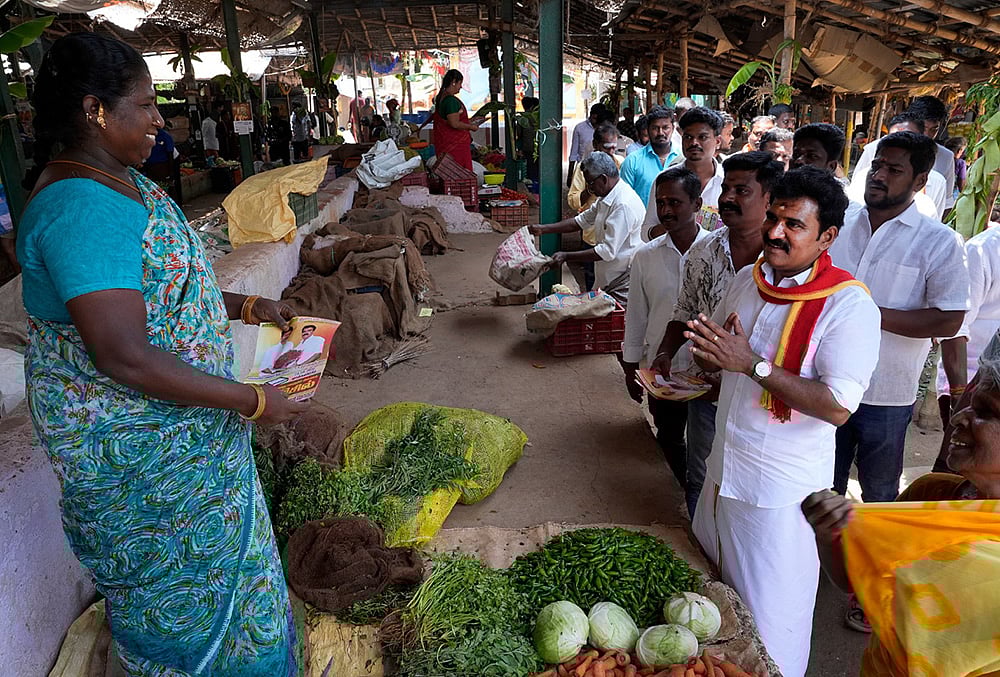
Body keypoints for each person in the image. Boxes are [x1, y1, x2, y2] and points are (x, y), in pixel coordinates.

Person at [16, 32, 304, 675]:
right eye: (145, 105)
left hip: (189, 436)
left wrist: (248, 306)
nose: (159, 121)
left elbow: (165, 288)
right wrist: (254, 401)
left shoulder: (117, 182)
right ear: (94, 110)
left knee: (229, 579)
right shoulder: (80, 207)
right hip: (143, 458)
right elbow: (124, 354)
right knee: (180, 597)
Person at [686, 166, 880, 677]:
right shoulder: (748, 281)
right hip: (722, 476)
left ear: (827, 237)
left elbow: (838, 405)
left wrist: (751, 363)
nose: (775, 232)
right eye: (773, 217)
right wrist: (708, 352)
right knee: (712, 612)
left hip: (777, 496)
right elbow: (722, 357)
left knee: (772, 628)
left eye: (794, 225)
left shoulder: (848, 305)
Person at [802, 333, 1000, 675]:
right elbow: (854, 582)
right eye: (968, 403)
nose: (957, 418)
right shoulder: (930, 494)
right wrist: (829, 534)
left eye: (984, 412)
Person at [830, 131, 968, 504]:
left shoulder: (938, 242)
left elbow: (949, 320)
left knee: (878, 494)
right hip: (825, 382)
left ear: (920, 182)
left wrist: (867, 313)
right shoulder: (839, 223)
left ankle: (874, 545)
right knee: (822, 485)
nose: (878, 175)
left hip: (886, 393)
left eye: (894, 170)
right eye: (877, 165)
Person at [651, 151, 784, 517]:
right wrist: (664, 352)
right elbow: (684, 311)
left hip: (766, 402)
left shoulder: (785, 258)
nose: (727, 198)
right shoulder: (703, 251)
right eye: (726, 188)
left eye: (742, 190)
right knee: (701, 477)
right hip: (706, 394)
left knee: (755, 492)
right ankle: (701, 546)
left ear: (769, 199)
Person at [622, 167, 711, 486]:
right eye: (661, 203)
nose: (666, 210)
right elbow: (636, 314)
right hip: (663, 370)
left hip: (708, 372)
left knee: (706, 444)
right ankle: (682, 491)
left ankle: (696, 496)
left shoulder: (716, 252)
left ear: (697, 204)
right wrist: (631, 367)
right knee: (669, 436)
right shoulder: (645, 257)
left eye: (675, 202)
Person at [528, 152, 644, 304]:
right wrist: (543, 229)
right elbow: (581, 221)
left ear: (603, 179)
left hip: (622, 279)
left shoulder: (623, 205)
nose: (589, 189)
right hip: (608, 275)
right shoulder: (606, 196)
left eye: (590, 183)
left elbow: (607, 251)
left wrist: (566, 256)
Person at [935, 225, 1000, 433]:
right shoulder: (983, 250)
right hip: (973, 387)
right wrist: (960, 393)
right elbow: (955, 326)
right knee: (961, 451)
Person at [851, 97, 956, 210]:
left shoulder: (940, 173)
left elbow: (946, 204)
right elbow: (856, 189)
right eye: (924, 128)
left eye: (934, 129)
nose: (927, 135)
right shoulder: (873, 149)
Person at [641, 107, 724, 234]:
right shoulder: (665, 180)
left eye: (702, 137)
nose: (694, 143)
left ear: (717, 141)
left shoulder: (728, 181)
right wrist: (677, 227)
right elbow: (647, 231)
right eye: (688, 137)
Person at [620, 105, 680, 209]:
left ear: (673, 128)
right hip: (641, 219)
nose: (660, 133)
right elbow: (623, 200)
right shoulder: (632, 161)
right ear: (648, 129)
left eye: (665, 127)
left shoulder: (683, 158)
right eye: (655, 128)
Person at [432, 69, 481, 174]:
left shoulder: (442, 98)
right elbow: (454, 123)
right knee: (460, 173)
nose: (461, 87)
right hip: (455, 147)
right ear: (454, 82)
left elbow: (452, 119)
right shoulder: (450, 101)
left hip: (445, 144)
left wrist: (469, 121)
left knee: (449, 174)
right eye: (460, 83)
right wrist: (471, 127)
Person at [568, 122, 623, 213]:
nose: (611, 152)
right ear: (595, 144)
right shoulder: (583, 167)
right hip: (591, 219)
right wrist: (591, 189)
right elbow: (573, 202)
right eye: (607, 147)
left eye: (614, 148)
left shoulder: (621, 163)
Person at [568, 103, 607, 188]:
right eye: (594, 117)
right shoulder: (580, 128)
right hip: (583, 171)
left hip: (601, 172)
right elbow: (573, 153)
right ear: (591, 114)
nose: (595, 120)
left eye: (598, 118)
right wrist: (570, 175)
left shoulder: (606, 129)